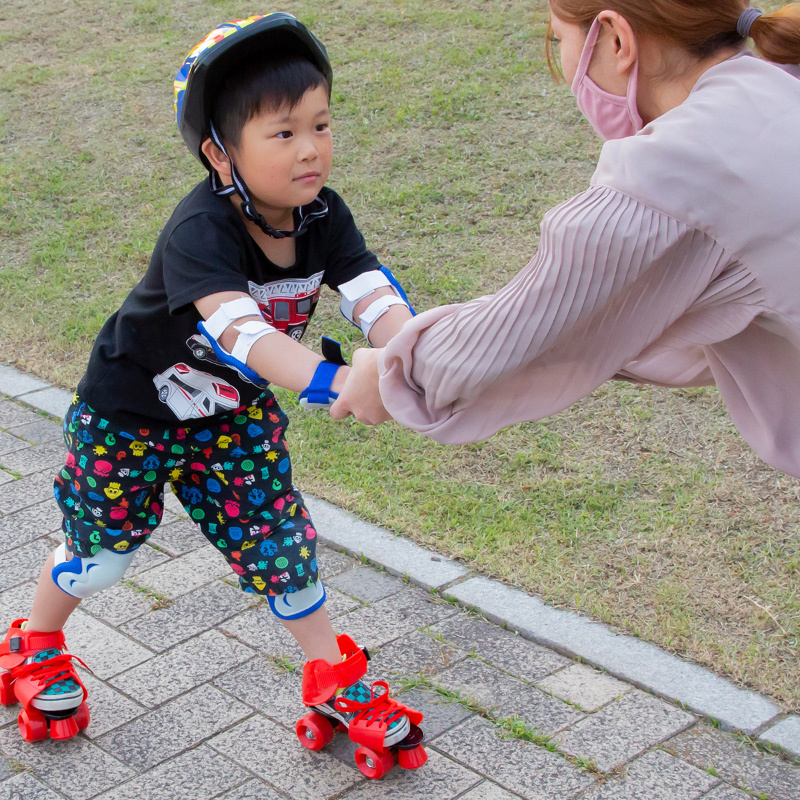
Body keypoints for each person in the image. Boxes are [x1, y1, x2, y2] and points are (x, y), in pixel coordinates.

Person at [0, 14, 426, 775]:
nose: (311, 148)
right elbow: (244, 335)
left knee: (282, 548)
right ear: (218, 153)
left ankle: (330, 676)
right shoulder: (201, 228)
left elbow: (371, 293)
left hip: (230, 423)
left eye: (321, 124)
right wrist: (334, 381)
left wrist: (421, 351)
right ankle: (33, 642)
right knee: (101, 557)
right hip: (128, 415)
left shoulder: (324, 215)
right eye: (283, 132)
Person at [331, 1, 800, 485]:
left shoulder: (683, 163)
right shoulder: (777, 85)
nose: (565, 65)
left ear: (616, 38)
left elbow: (523, 329)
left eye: (559, 41)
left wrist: (391, 374)